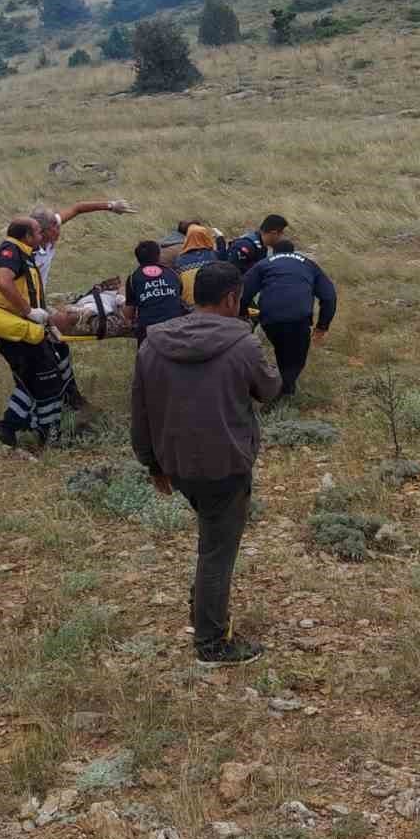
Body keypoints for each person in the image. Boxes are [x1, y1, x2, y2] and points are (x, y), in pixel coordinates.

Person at [131, 261, 281, 666]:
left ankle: (203, 608)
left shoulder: (152, 342)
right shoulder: (244, 344)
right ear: (233, 298)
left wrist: (152, 464)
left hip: (177, 464)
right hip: (226, 463)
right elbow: (269, 390)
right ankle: (211, 643)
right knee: (218, 550)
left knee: (210, 535)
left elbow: (140, 411)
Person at [31, 198, 135, 412]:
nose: (59, 232)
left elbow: (77, 208)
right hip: (28, 305)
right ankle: (55, 404)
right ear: (41, 232)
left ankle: (71, 398)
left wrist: (111, 206)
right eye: (55, 229)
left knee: (58, 348)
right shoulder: (26, 252)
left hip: (39, 301)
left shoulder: (48, 230)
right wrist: (29, 311)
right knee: (47, 354)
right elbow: (6, 284)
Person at [0, 217, 65, 448]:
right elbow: (3, 283)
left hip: (22, 328)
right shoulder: (11, 252)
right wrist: (29, 311)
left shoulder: (20, 251)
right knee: (48, 378)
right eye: (39, 233)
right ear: (27, 236)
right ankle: (47, 434)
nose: (43, 236)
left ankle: (15, 426)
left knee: (32, 379)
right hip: (17, 329)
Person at [240, 238, 336, 398]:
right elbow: (329, 296)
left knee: (283, 350)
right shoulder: (308, 264)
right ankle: (284, 391)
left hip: (270, 319)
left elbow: (243, 293)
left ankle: (281, 388)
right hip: (299, 319)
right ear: (293, 251)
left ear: (274, 252)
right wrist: (322, 326)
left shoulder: (263, 264)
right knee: (295, 358)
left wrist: (249, 316)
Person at [124, 241, 185, 344]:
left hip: (149, 333)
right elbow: (179, 297)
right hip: (176, 330)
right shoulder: (173, 273)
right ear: (159, 256)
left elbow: (129, 314)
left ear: (138, 258)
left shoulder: (133, 278)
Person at [174, 223, 226, 303]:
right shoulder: (212, 255)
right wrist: (220, 238)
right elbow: (223, 256)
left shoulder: (179, 260)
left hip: (188, 307)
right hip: (212, 305)